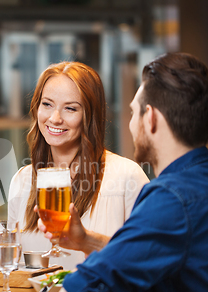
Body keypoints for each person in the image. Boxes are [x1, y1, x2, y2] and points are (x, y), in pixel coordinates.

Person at [52, 53, 208, 292]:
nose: (131, 124)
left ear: (150, 118)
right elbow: (163, 255)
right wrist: (86, 240)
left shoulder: (170, 200)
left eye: (133, 112)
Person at [8, 61, 149, 270]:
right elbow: (13, 264)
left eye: (70, 108)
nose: (55, 118)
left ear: (89, 116)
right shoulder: (22, 180)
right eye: (47, 104)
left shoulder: (127, 177)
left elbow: (148, 259)